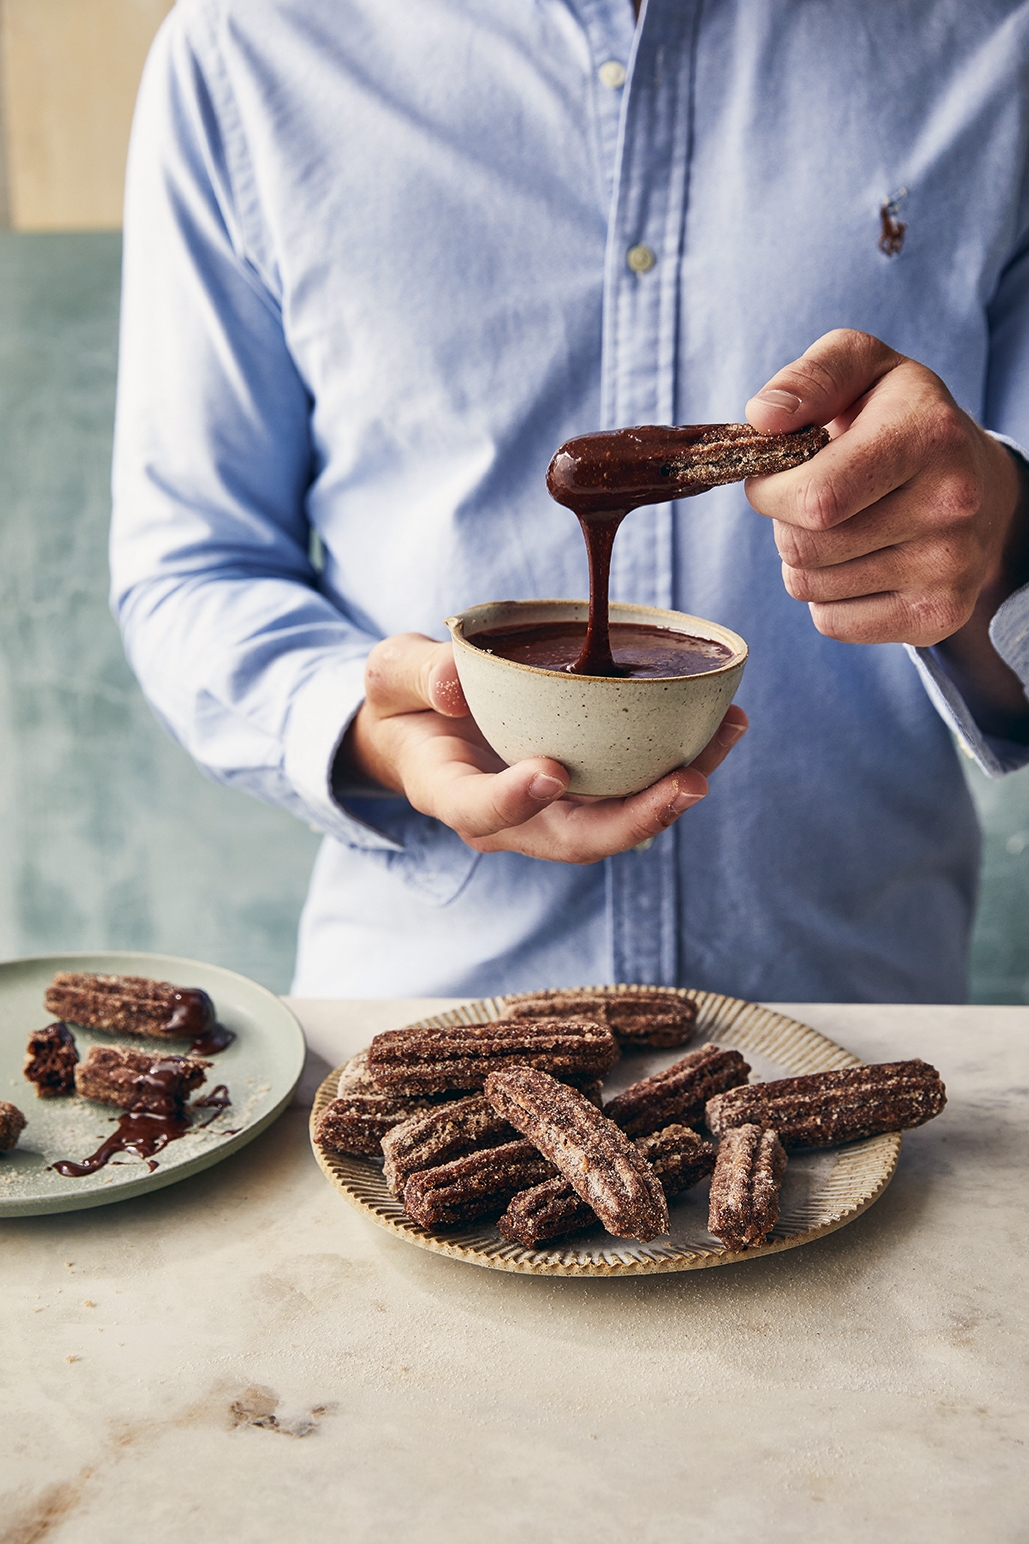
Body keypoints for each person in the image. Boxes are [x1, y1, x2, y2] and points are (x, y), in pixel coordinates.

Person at [111, 0, 1029, 1002]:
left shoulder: (995, 37)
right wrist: (380, 729)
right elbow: (192, 568)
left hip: (853, 1007)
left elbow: (1005, 553)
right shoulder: (245, 46)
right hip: (427, 1015)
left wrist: (1001, 540)